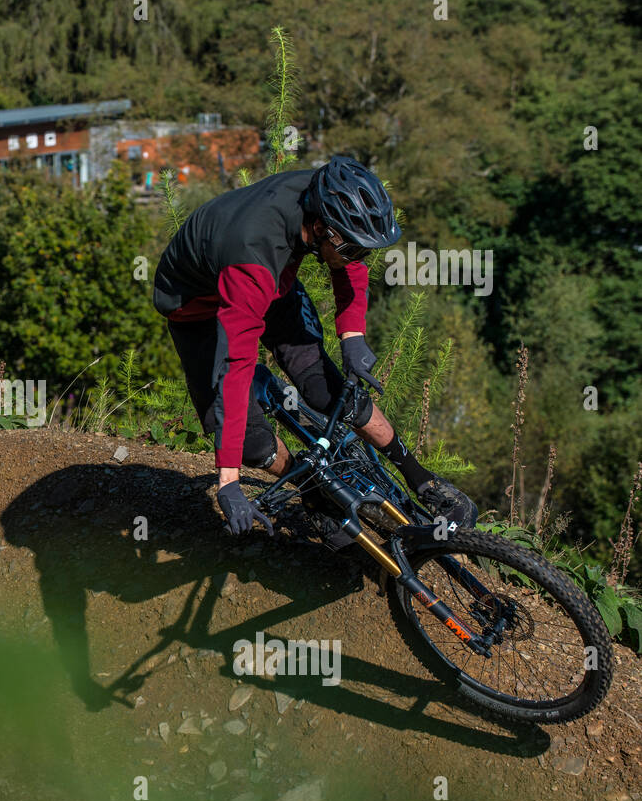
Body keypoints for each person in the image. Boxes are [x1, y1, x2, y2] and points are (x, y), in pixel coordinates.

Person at [152, 155, 477, 543]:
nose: (360, 258)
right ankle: (313, 487)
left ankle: (423, 481)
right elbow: (235, 366)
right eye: (354, 248)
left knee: (329, 389)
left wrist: (352, 335)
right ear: (321, 227)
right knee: (251, 443)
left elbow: (350, 264)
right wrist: (228, 482)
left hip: (273, 279)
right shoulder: (254, 256)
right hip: (200, 306)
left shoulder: (325, 198)